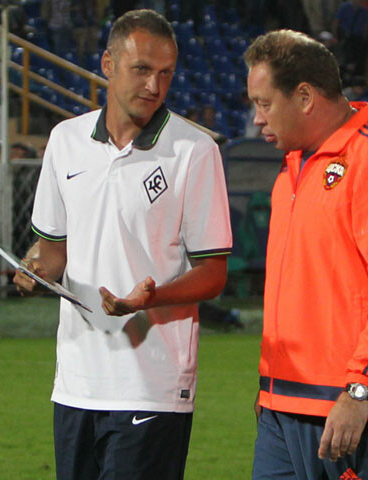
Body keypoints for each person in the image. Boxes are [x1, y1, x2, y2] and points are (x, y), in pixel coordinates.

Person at [13, 9, 231, 480]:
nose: (154, 86)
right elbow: (51, 249)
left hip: (152, 384)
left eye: (166, 74)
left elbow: (214, 274)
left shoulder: (195, 151)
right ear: (108, 64)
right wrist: (32, 269)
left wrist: (153, 297)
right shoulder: (65, 141)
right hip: (76, 382)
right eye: (142, 70)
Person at [245, 30, 368, 480]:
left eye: (264, 103)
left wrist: (359, 389)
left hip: (355, 408)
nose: (256, 118)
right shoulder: (294, 166)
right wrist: (270, 387)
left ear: (305, 97)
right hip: (283, 402)